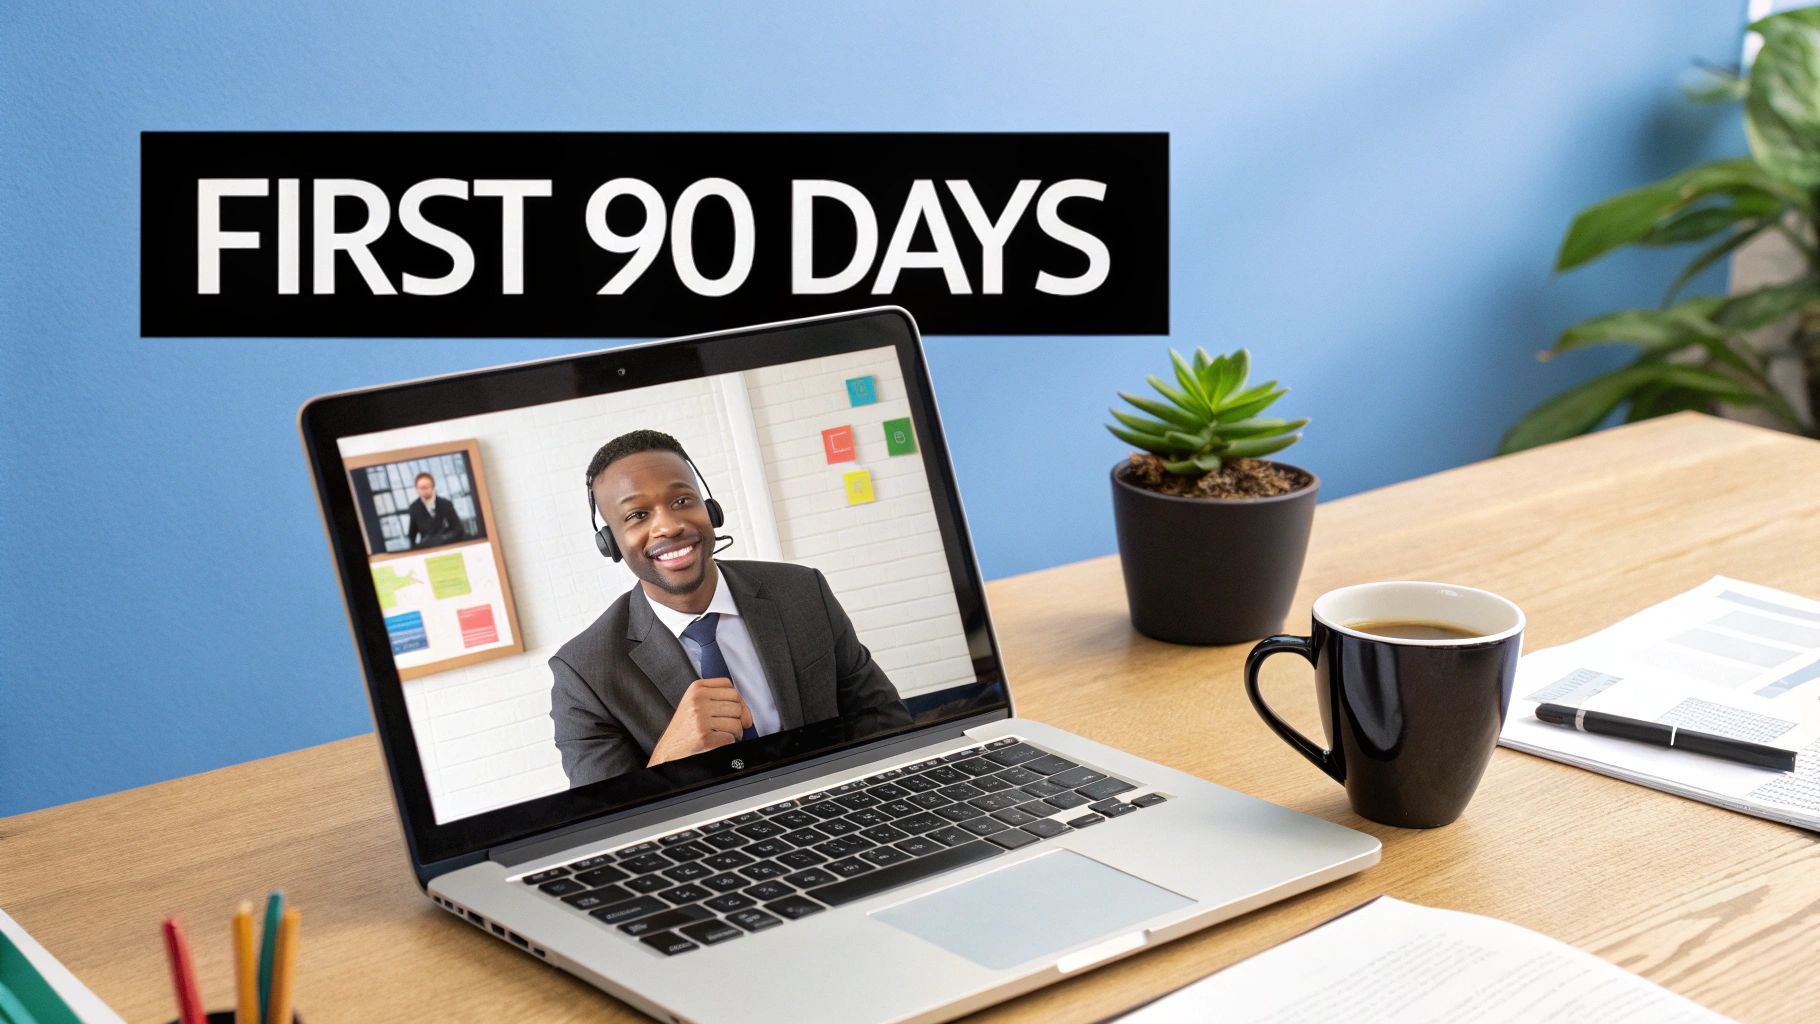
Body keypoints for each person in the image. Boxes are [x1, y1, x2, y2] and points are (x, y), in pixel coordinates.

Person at [550, 430, 910, 786]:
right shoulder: (583, 675)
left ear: (710, 510)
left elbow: (885, 723)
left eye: (681, 502)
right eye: (638, 515)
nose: (670, 526)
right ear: (609, 542)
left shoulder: (803, 592)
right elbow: (608, 823)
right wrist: (668, 760)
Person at [406, 472, 464, 549]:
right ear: (417, 489)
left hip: (448, 545)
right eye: (421, 488)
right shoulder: (414, 507)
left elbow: (458, 528)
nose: (424, 490)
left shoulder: (446, 504)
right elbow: (412, 534)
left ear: (433, 487)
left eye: (427, 487)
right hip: (427, 548)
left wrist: (445, 539)